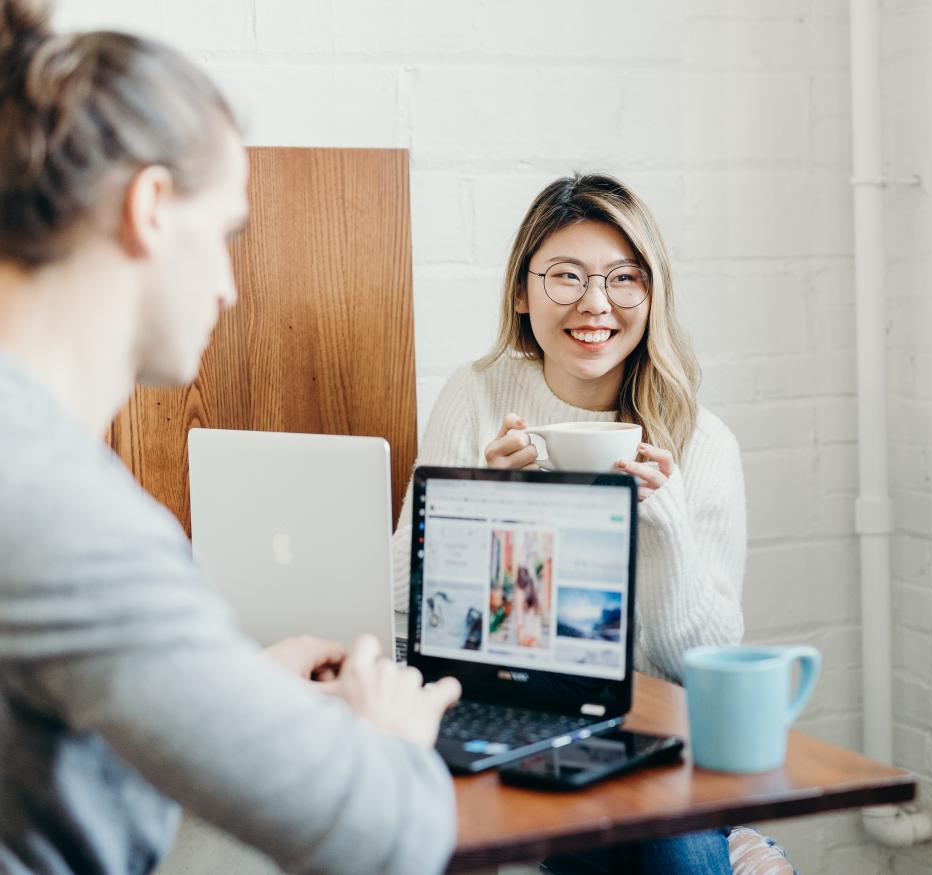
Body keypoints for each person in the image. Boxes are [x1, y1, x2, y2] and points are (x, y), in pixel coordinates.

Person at [0, 2, 461, 873]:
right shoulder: (62, 506)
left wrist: (227, 688)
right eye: (225, 236)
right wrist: (389, 737)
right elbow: (389, 835)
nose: (228, 288)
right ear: (151, 206)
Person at [390, 174, 796, 874]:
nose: (596, 303)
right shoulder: (478, 396)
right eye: (566, 277)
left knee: (671, 852)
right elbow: (405, 609)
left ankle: (729, 834)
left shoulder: (700, 444)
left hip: (644, 725)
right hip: (506, 709)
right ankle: (738, 837)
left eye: (623, 278)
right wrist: (488, 509)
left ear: (651, 293)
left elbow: (697, 663)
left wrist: (662, 523)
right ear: (522, 291)